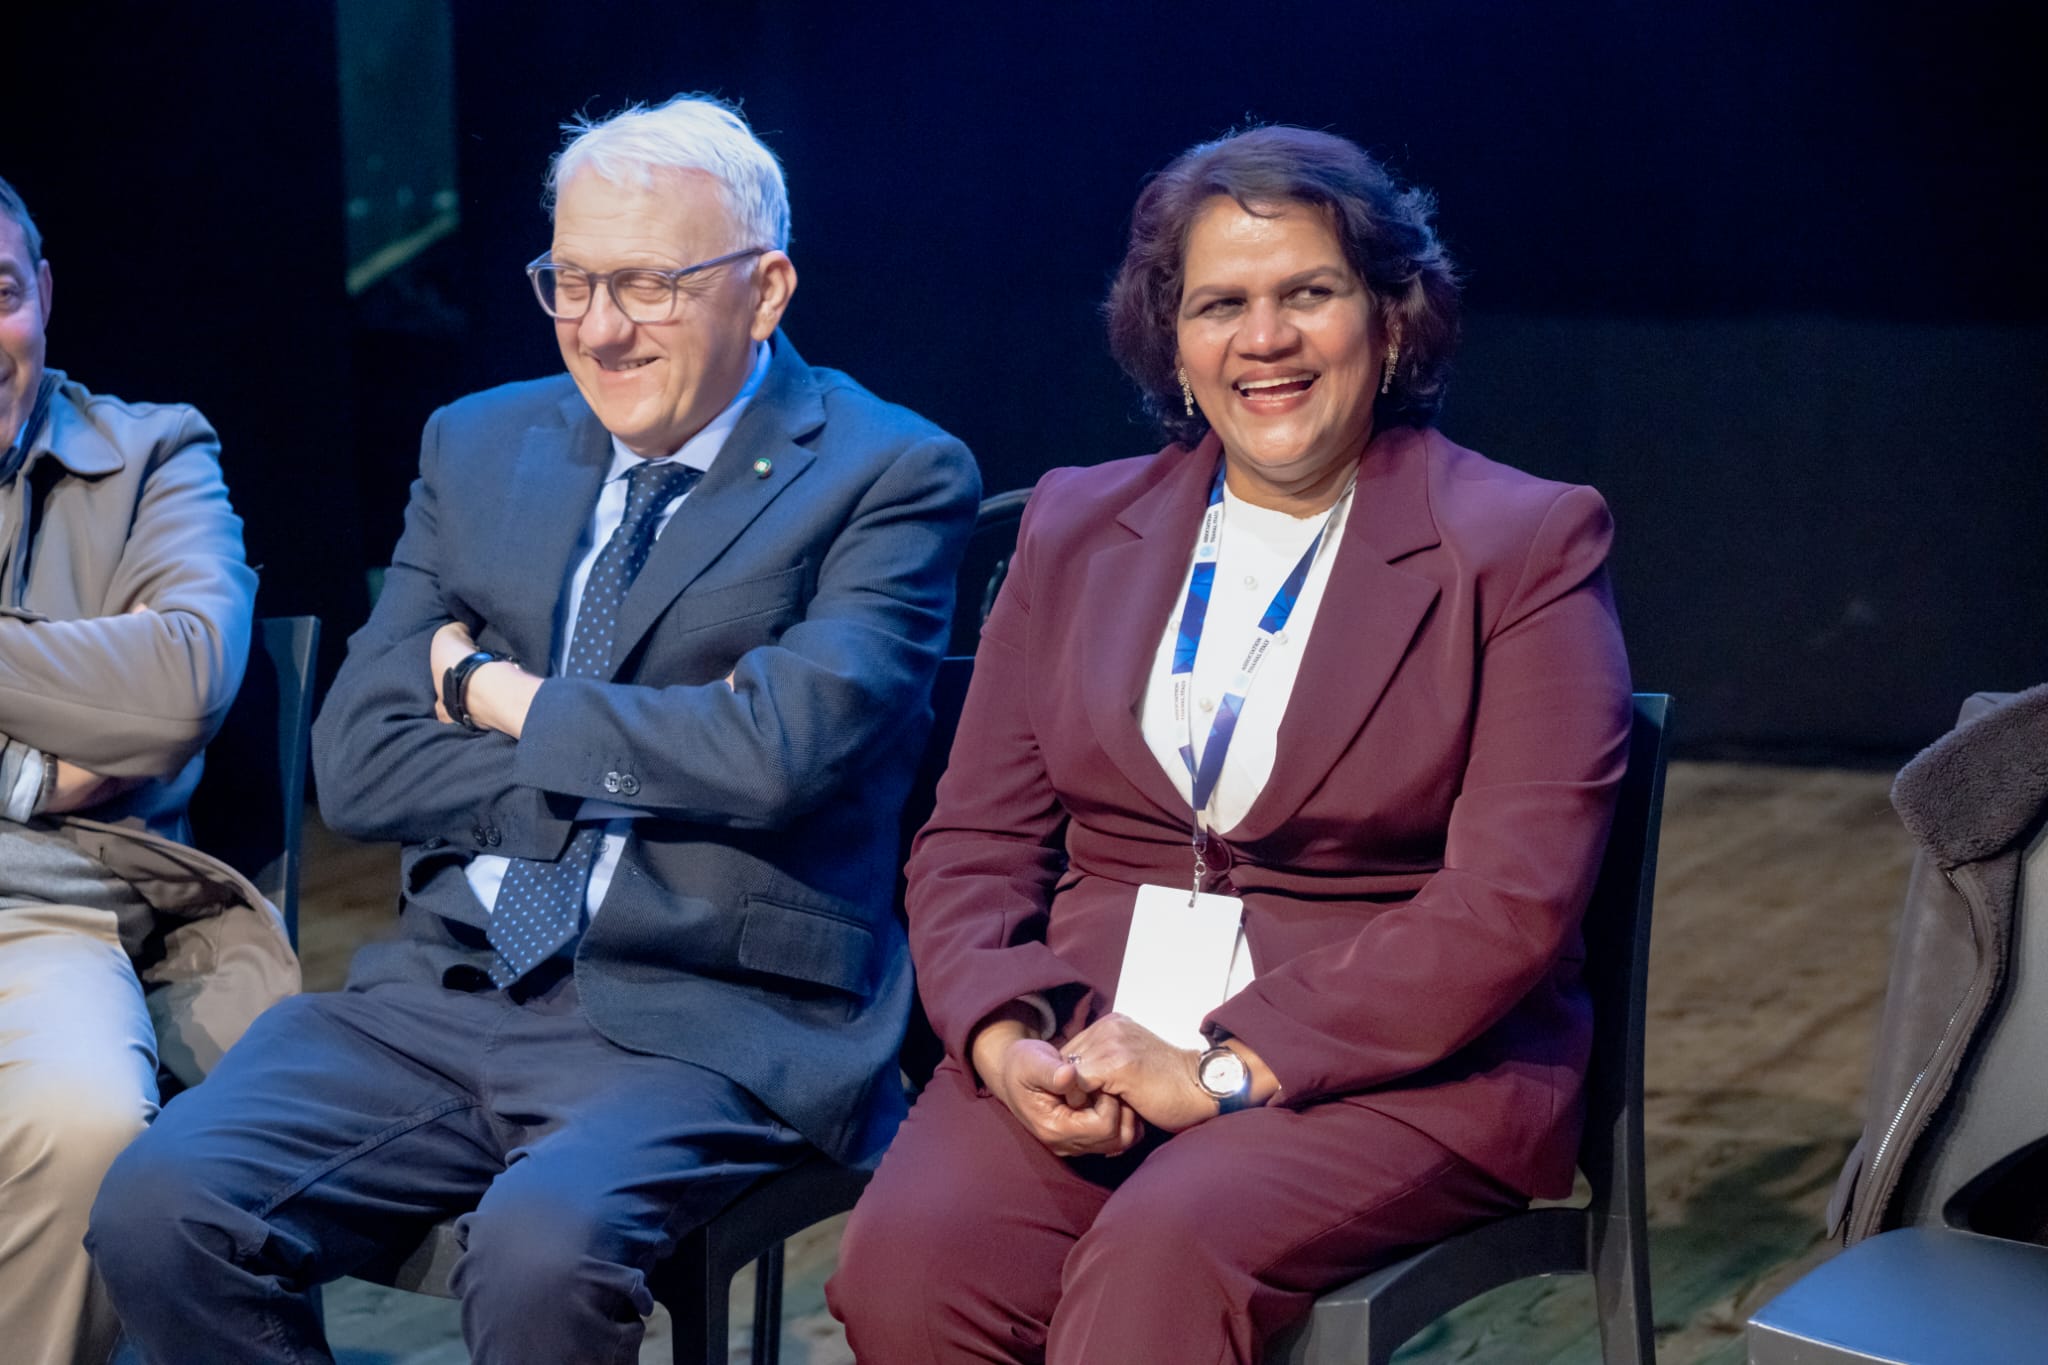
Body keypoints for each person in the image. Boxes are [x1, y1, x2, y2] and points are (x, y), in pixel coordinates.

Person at [88, 95, 979, 1363]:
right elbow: (359, 761)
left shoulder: (886, 472)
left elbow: (777, 755)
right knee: (160, 1205)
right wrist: (652, 755)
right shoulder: (479, 443)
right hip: (447, 984)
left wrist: (496, 696)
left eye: (648, 285)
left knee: (540, 1254)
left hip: (710, 1011)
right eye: (570, 282)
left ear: (765, 290)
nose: (600, 329)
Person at [829, 125, 1633, 1363]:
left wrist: (1219, 1070)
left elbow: (1507, 904)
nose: (1263, 339)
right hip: (1092, 1029)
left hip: (1393, 1065)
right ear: (1172, 340)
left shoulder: (1520, 543)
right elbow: (974, 840)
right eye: (1219, 305)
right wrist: (1002, 1038)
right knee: (911, 1271)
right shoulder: (1074, 525)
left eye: (1306, 294)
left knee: (1159, 1259)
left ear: (1391, 319)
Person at [0, 174, 289, 1365]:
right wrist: (38, 764)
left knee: (86, 1122)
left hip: (47, 915)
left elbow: (177, 688)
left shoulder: (151, 454)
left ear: (45, 291)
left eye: (0, 294)